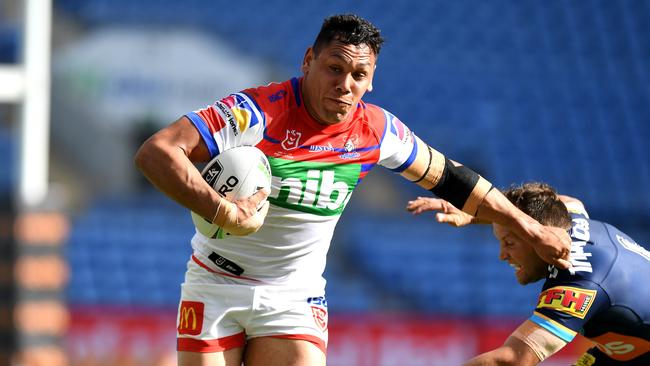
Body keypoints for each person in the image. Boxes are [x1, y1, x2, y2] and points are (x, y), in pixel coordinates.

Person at [134, 14, 571, 366]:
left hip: (294, 294)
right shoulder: (253, 113)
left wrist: (529, 228)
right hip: (215, 283)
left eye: (359, 74)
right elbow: (156, 152)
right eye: (334, 68)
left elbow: (454, 179)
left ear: (372, 80)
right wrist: (220, 210)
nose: (345, 84)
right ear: (308, 60)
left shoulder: (376, 130)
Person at [407, 182, 650, 365]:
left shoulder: (579, 283)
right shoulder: (567, 219)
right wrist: (476, 214)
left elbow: (513, 359)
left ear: (538, 237)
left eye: (509, 243)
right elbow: (563, 201)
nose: (502, 255)